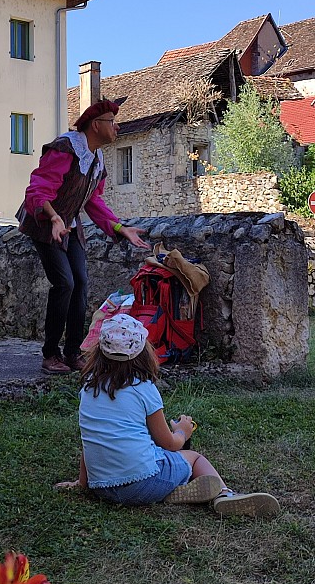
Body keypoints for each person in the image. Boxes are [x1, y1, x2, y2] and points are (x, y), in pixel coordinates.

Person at [58, 314, 280, 517]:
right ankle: (224, 495)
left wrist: (82, 483)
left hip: (102, 489)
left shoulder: (88, 389)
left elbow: (90, 440)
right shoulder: (143, 389)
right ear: (144, 351)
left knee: (150, 454)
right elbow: (169, 444)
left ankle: (173, 491)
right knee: (194, 458)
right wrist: (182, 432)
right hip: (140, 486)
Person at [17, 98, 151, 376]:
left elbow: (94, 202)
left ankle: (72, 352)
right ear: (95, 125)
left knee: (81, 284)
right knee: (64, 283)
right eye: (111, 122)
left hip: (68, 225)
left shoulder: (97, 160)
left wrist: (119, 228)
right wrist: (53, 218)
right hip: (44, 223)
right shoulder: (65, 149)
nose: (117, 128)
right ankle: (50, 354)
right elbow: (38, 189)